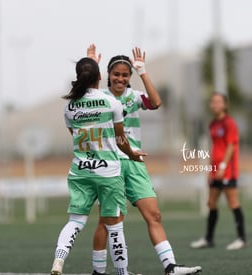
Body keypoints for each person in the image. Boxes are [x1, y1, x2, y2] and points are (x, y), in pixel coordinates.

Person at [87, 44, 202, 275]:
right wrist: (91, 66)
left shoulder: (135, 97)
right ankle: (98, 272)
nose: (120, 78)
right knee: (107, 221)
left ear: (129, 77)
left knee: (154, 214)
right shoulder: (100, 97)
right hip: (111, 163)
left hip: (135, 162)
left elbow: (157, 102)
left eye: (125, 74)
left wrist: (142, 71)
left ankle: (170, 266)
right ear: (108, 75)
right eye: (116, 74)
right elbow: (86, 94)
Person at [50, 56, 146, 275]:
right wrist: (133, 155)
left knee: (75, 221)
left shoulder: (69, 107)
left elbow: (75, 136)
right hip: (108, 172)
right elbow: (122, 141)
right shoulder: (111, 102)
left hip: (80, 171)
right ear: (100, 77)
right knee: (114, 226)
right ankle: (122, 273)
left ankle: (58, 259)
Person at [190, 92, 246, 250]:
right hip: (215, 171)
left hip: (228, 170)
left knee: (233, 202)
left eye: (217, 101)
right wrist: (211, 169)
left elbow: (231, 146)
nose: (214, 104)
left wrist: (222, 166)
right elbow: (215, 148)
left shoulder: (229, 123)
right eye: (212, 101)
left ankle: (241, 238)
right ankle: (209, 239)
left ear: (225, 105)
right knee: (211, 203)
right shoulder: (213, 124)